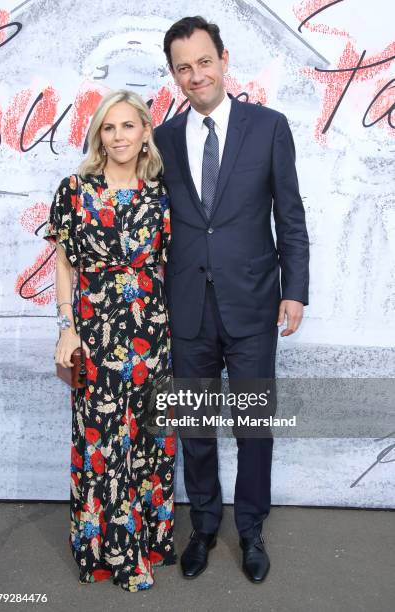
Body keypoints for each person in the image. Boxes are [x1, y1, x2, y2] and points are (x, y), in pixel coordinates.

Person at [154, 17, 309, 583]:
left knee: (253, 427)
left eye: (204, 61)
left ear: (224, 58)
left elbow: (289, 216)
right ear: (174, 75)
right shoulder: (164, 138)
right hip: (187, 306)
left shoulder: (268, 127)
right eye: (184, 68)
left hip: (253, 305)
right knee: (195, 427)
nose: (197, 75)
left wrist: (295, 291)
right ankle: (201, 526)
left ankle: (250, 530)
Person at [44, 90, 176, 591]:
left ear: (145, 133)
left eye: (127, 126)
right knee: (103, 441)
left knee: (150, 442)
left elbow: (170, 266)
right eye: (108, 127)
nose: (118, 136)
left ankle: (148, 544)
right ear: (99, 135)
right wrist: (66, 328)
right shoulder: (74, 189)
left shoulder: (160, 196)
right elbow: (63, 262)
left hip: (151, 334)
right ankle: (108, 552)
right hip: (95, 334)